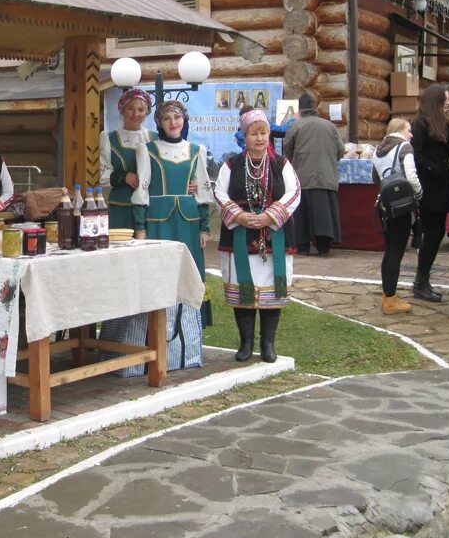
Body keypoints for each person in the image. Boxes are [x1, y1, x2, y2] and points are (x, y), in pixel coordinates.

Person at [126, 100, 214, 364]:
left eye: (178, 117)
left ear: (184, 120)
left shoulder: (197, 150)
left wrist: (205, 226)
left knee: (190, 273)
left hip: (188, 221)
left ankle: (188, 338)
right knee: (158, 273)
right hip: (159, 220)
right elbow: (142, 188)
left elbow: (203, 191)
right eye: (167, 118)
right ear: (160, 123)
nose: (173, 122)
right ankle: (154, 335)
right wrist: (140, 227)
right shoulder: (148, 149)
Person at [214, 108, 301, 362]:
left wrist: (270, 216)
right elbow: (219, 193)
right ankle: (246, 343)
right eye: (254, 133)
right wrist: (238, 215)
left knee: (272, 290)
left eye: (263, 132)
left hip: (274, 236)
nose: (259, 138)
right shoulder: (231, 164)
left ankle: (268, 344)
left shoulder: (281, 164)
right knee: (244, 292)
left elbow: (294, 193)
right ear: (245, 136)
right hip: (239, 235)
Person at [410, 84, 449, 302]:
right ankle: (421, 281)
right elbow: (416, 154)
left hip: (442, 184)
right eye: (445, 100)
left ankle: (424, 279)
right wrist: (433, 167)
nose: (448, 103)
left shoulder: (441, 122)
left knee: (438, 232)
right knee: (432, 233)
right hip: (430, 186)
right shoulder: (420, 124)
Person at [283, 92, 343, 256]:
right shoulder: (329, 126)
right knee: (324, 214)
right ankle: (324, 246)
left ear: (300, 109)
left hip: (302, 177)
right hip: (326, 178)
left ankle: (302, 246)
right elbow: (341, 150)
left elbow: (287, 150)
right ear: (314, 107)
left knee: (302, 216)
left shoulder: (295, 126)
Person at [372, 118, 421, 315]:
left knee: (390, 250)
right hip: (401, 203)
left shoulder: (378, 150)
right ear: (400, 130)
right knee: (396, 252)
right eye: (409, 130)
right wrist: (418, 195)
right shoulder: (404, 148)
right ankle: (390, 299)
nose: (411, 134)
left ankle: (388, 294)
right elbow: (411, 176)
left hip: (386, 203)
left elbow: (375, 178)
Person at [99, 88, 156, 229]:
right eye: (131, 108)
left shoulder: (155, 139)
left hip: (150, 207)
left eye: (141, 110)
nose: (136, 114)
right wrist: (124, 177)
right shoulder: (109, 139)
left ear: (146, 113)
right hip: (121, 207)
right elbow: (102, 176)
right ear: (122, 110)